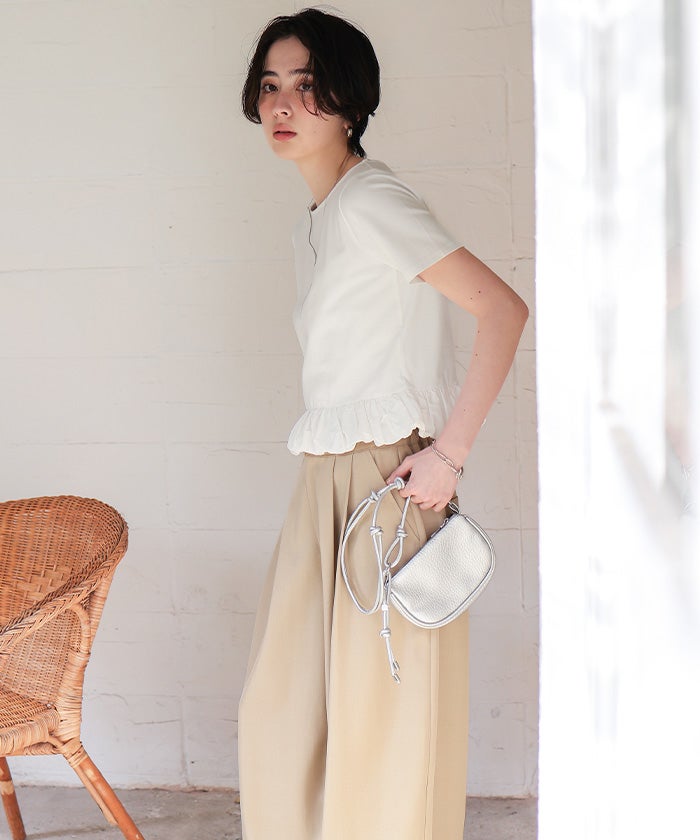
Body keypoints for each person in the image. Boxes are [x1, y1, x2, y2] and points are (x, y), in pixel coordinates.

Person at [237, 8, 528, 840]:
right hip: (324, 482)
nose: (283, 104)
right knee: (285, 707)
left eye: (308, 86)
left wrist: (450, 455)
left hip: (385, 481)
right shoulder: (321, 217)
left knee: (380, 720)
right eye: (270, 86)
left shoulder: (371, 201)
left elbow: (502, 310)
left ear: (351, 101)